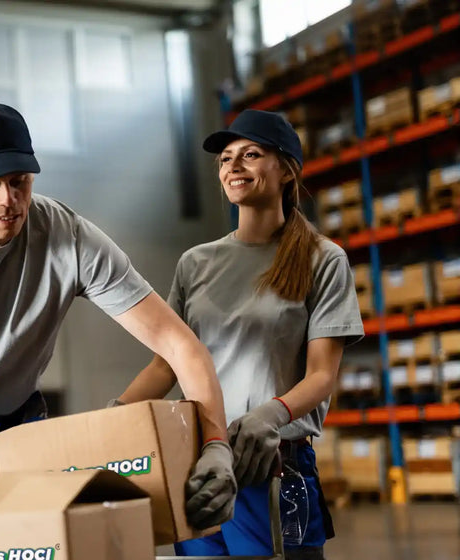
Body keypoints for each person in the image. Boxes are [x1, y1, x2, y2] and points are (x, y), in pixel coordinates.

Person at [0, 102, 237, 560]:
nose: (8, 201)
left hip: (16, 426)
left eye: (20, 182)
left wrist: (216, 445)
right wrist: (12, 469)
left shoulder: (69, 237)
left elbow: (180, 346)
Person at [116, 109, 363, 559]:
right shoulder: (196, 263)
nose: (234, 166)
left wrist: (269, 415)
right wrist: (113, 419)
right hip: (200, 467)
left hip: (270, 465)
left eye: (251, 154)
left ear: (287, 169)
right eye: (226, 159)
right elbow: (165, 364)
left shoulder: (322, 260)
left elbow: (323, 375)